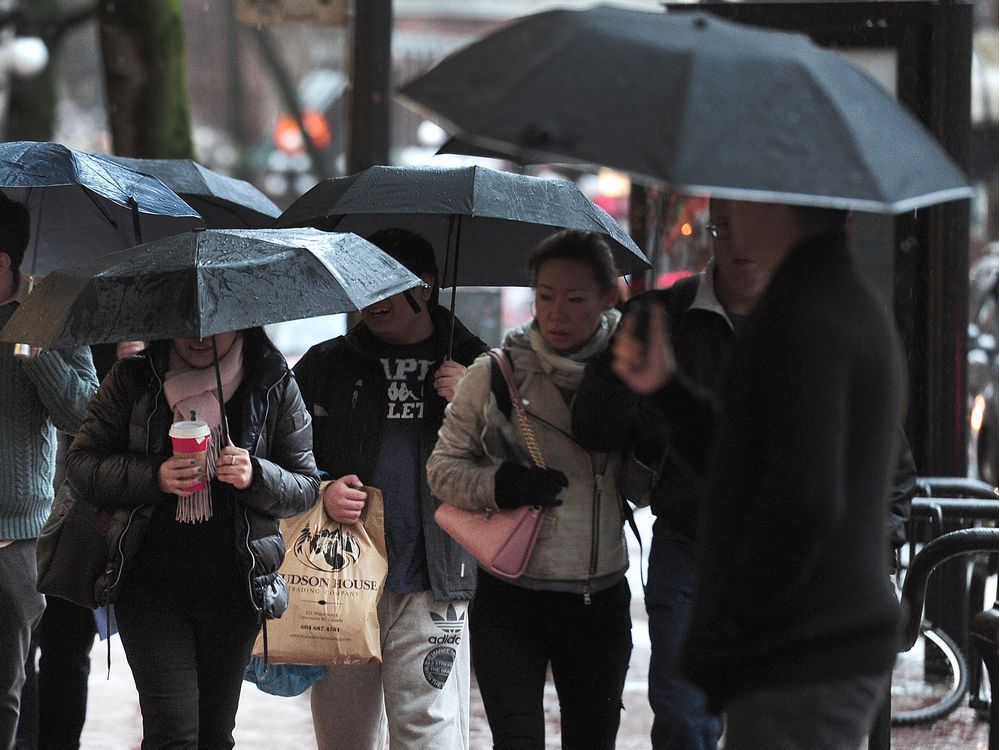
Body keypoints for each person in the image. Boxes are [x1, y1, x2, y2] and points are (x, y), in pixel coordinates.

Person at [573, 200, 917, 749]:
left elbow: (803, 497)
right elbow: (750, 457)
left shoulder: (809, 312)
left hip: (804, 641)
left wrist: (728, 628)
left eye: (743, 206)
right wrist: (666, 389)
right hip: (807, 635)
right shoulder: (817, 299)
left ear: (778, 208)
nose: (728, 226)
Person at [427, 229, 634, 749]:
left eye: (575, 299)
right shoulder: (496, 373)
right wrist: (504, 484)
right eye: (546, 296)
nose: (557, 313)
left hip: (597, 598)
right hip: (509, 597)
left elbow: (646, 490)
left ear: (608, 297)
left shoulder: (633, 374)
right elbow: (442, 470)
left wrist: (646, 436)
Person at [64, 327, 319, 748]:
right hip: (149, 585)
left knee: (215, 735)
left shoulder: (271, 380)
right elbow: (82, 463)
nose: (198, 336)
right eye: (183, 323)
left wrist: (256, 474)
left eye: (213, 327)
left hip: (235, 588)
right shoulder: (135, 378)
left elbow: (305, 485)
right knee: (173, 733)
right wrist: (154, 475)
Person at [294, 228, 488, 749]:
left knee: (429, 731)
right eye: (360, 284)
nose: (370, 300)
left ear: (424, 288)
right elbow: (279, 456)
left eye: (384, 284)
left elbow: (520, 465)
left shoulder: (484, 368)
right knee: (342, 736)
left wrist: (477, 403)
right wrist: (321, 490)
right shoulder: (324, 364)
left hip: (433, 578)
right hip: (337, 578)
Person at [0, 195, 98, 750]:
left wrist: (28, 342)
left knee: (7, 686)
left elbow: (80, 413)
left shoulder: (54, 312)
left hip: (15, 537)